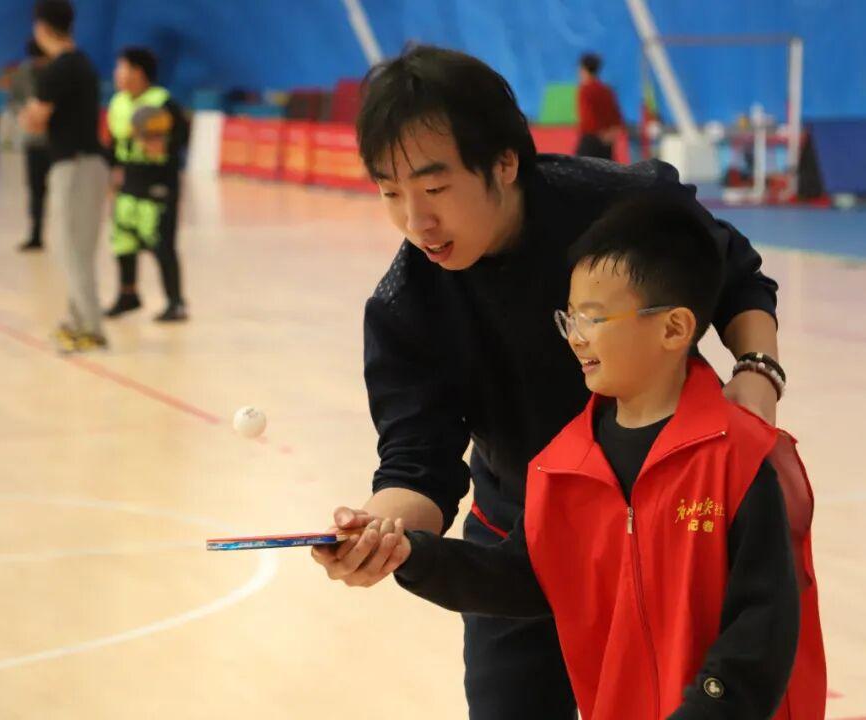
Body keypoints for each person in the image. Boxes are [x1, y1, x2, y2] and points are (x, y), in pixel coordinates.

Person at [310, 45, 784, 719]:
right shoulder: (406, 306)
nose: (416, 222)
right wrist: (377, 535)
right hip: (520, 539)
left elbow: (734, 273)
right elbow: (418, 464)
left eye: (435, 189)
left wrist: (758, 372)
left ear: (504, 163)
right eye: (391, 193)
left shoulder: (617, 208)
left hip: (666, 527)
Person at [371, 194, 825, 719]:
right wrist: (411, 554)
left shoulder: (741, 457)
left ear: (674, 328)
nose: (575, 338)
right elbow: (523, 576)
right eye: (570, 319)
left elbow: (763, 625)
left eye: (593, 319)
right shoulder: (564, 465)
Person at [20, 0, 108, 352]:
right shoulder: (81, 63)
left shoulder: (58, 69)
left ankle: (91, 328)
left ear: (42, 28)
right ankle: (78, 321)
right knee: (76, 250)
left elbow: (34, 120)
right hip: (87, 164)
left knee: (73, 251)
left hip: (74, 166)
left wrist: (29, 113)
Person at [103, 46, 190, 322]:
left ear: (138, 72)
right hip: (129, 181)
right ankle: (128, 294)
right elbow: (114, 144)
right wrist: (111, 175)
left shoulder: (163, 102)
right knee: (123, 241)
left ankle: (175, 302)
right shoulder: (118, 103)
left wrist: (163, 145)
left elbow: (183, 138)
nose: (117, 74)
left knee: (162, 244)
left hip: (159, 182)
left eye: (122, 68)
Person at [4, 39, 51, 252]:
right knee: (36, 190)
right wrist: (25, 114)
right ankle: (36, 235)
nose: (39, 63)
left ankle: (70, 235)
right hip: (34, 141)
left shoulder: (59, 71)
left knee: (65, 191)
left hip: (58, 142)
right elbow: (14, 101)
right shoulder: (23, 73)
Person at [576, 52, 623, 161]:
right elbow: (616, 115)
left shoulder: (585, 90)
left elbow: (587, 117)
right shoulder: (606, 90)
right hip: (607, 142)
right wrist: (611, 133)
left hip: (591, 141)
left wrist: (599, 132)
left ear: (583, 69)